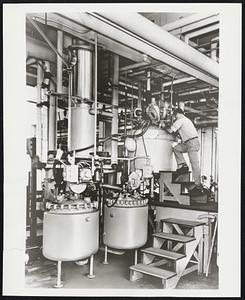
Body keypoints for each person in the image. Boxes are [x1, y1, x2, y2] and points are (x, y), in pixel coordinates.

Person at [166, 108, 202, 194]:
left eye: (174, 116)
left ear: (177, 114)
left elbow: (171, 130)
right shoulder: (186, 120)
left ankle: (198, 185)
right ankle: (183, 165)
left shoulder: (181, 120)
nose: (174, 118)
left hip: (191, 143)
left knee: (194, 164)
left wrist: (163, 126)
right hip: (188, 143)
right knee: (176, 148)